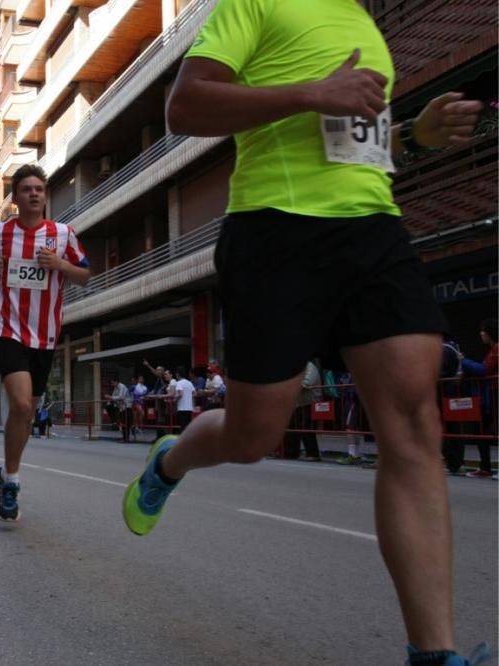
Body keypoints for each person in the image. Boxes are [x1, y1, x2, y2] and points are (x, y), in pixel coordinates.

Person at [121, 3, 487, 663]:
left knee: (414, 427)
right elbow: (188, 106)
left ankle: (435, 654)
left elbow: (351, 142)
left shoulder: (363, 24)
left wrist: (416, 136)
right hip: (275, 230)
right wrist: (313, 92)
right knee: (255, 435)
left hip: (373, 228)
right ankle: (172, 459)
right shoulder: (256, 2)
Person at [0, 163, 90, 520]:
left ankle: (5, 471)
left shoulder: (63, 234)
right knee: (22, 406)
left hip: (45, 334)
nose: (35, 194)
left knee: (27, 414)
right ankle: (11, 482)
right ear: (16, 198)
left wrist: (59, 264)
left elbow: (85, 275)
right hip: (6, 327)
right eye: (27, 189)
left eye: (39, 189)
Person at [459, 318, 497, 479]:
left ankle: (486, 467)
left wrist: (463, 360)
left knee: (485, 430)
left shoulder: (497, 349)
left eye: (483, 330)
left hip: (494, 393)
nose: (481, 333)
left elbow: (484, 370)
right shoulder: (492, 350)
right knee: (483, 431)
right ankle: (485, 467)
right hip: (490, 394)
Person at [172, 366, 195, 433]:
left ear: (178, 374)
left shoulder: (179, 383)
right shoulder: (189, 383)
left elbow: (180, 394)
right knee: (188, 426)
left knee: (183, 427)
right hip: (189, 408)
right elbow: (194, 393)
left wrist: (175, 399)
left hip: (182, 408)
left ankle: (183, 441)